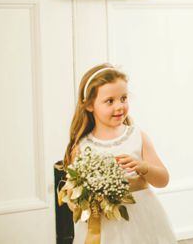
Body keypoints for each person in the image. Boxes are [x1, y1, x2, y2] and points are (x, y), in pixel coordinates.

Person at [62, 64, 176, 244]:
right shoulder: (82, 147)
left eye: (123, 98)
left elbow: (163, 179)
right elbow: (71, 198)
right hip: (102, 226)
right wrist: (85, 197)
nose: (120, 106)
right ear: (90, 105)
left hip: (141, 222)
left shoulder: (137, 137)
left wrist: (143, 167)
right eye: (110, 101)